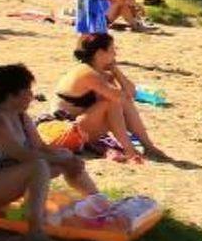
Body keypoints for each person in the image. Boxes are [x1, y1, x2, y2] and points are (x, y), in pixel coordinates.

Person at [0, 64, 104, 239]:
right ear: (12, 94)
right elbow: (23, 155)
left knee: (63, 155)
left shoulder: (20, 115)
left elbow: (41, 148)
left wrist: (67, 158)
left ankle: (98, 202)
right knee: (38, 167)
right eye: (28, 91)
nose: (31, 96)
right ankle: (35, 230)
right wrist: (64, 161)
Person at [53, 32, 168, 161]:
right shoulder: (86, 73)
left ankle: (147, 145)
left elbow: (131, 94)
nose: (115, 54)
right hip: (64, 132)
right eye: (112, 50)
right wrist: (115, 74)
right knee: (112, 102)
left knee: (120, 101)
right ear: (100, 53)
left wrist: (116, 71)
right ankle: (129, 150)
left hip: (82, 127)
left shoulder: (100, 73)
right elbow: (119, 97)